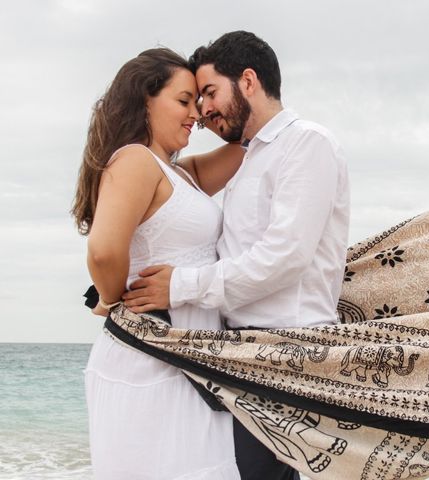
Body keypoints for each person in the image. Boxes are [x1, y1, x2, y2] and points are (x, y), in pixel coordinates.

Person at [122, 31, 351, 480]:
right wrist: (118, 286)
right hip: (240, 356)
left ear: (248, 81)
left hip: (285, 352)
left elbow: (284, 257)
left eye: (209, 93)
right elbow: (197, 228)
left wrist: (179, 286)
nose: (203, 110)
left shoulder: (307, 143)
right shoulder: (250, 158)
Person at [72, 48, 244, 480]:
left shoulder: (182, 174)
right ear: (145, 99)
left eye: (198, 103)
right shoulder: (133, 159)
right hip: (151, 360)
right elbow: (104, 251)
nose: (196, 114)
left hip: (195, 359)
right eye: (184, 101)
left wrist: (226, 103)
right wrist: (115, 301)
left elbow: (249, 145)